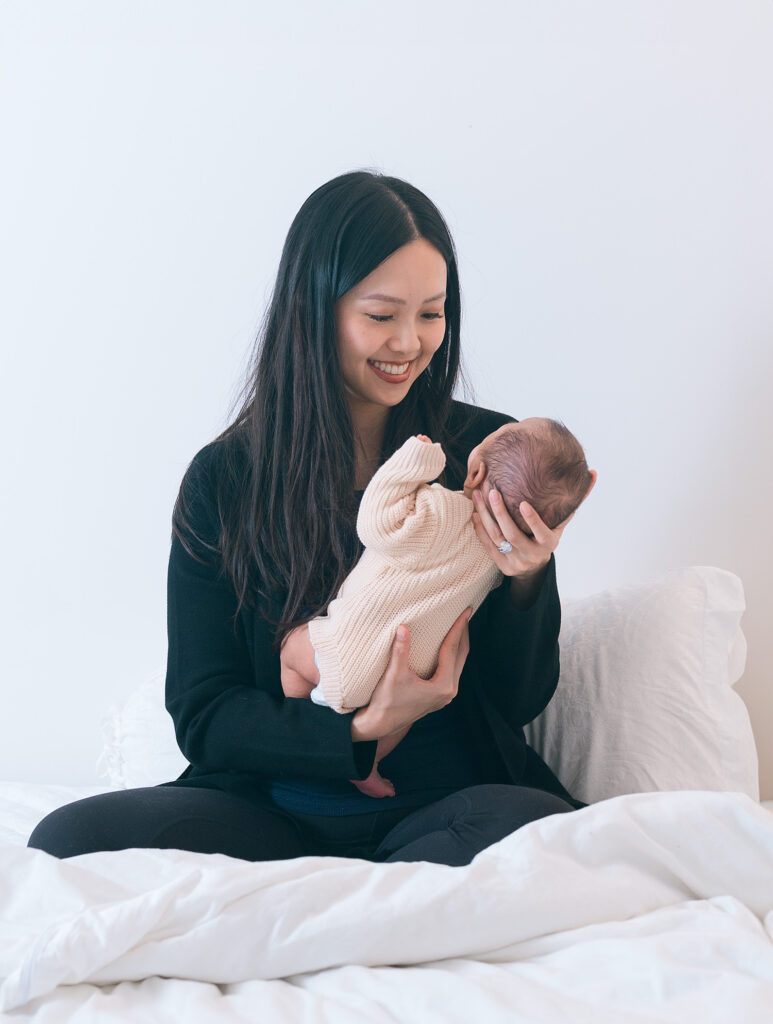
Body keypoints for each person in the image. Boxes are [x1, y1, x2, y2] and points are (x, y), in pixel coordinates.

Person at [28, 169, 597, 868]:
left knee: (544, 832)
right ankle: (373, 900)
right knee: (68, 841)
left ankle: (364, 900)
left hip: (444, 806)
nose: (411, 343)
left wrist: (525, 582)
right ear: (313, 308)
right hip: (269, 814)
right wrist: (364, 730)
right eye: (382, 315)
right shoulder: (226, 479)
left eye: (432, 312)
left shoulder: (486, 457)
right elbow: (205, 715)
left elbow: (517, 700)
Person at [280, 419, 594, 798]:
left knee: (290, 650)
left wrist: (411, 464)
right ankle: (368, 765)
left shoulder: (436, 508)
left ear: (474, 471)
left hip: (344, 652)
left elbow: (376, 523)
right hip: (412, 681)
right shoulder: (497, 567)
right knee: (406, 715)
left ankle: (316, 735)